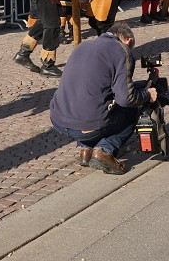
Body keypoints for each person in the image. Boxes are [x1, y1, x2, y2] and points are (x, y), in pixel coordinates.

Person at [49, 21, 155, 175]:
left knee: (95, 106)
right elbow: (126, 98)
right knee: (130, 110)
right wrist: (147, 95)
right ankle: (104, 150)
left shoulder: (83, 46)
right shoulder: (121, 50)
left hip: (58, 119)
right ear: (128, 40)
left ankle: (85, 149)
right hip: (86, 125)